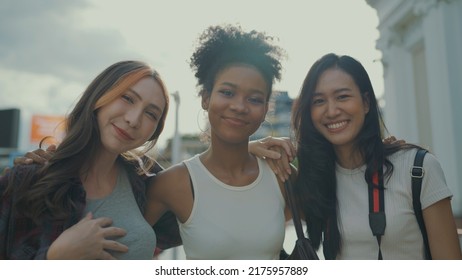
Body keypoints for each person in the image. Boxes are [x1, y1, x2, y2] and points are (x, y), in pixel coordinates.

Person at [0, 60, 181, 259]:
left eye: (151, 113)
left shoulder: (146, 182)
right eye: (128, 98)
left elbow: (204, 227)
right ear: (100, 95)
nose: (134, 119)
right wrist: (55, 258)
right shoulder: (26, 180)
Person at [290, 53, 461, 259]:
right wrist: (252, 147)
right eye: (318, 101)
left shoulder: (417, 169)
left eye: (342, 96)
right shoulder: (312, 180)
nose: (332, 111)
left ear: (366, 102)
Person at [144, 24, 293, 260]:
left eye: (254, 99)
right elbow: (127, 248)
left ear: (266, 109)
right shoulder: (174, 183)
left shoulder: (280, 174)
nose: (239, 106)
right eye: (227, 92)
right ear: (205, 98)